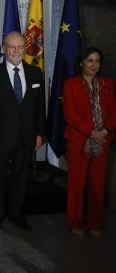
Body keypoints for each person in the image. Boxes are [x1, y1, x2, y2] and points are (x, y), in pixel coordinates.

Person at [0, 32, 45, 231]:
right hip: (1, 135)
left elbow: (39, 108)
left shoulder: (35, 73)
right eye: (11, 47)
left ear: (25, 49)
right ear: (4, 49)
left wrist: (39, 133)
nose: (16, 51)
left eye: (20, 47)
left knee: (20, 176)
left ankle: (16, 213)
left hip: (26, 135)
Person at [63, 47, 116, 237]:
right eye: (90, 61)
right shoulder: (71, 85)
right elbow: (70, 115)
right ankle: (74, 221)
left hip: (102, 141)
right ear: (81, 63)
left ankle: (95, 223)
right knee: (77, 184)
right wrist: (92, 132)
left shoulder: (107, 84)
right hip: (79, 140)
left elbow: (113, 112)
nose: (94, 65)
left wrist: (105, 131)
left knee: (97, 185)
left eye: (97, 61)